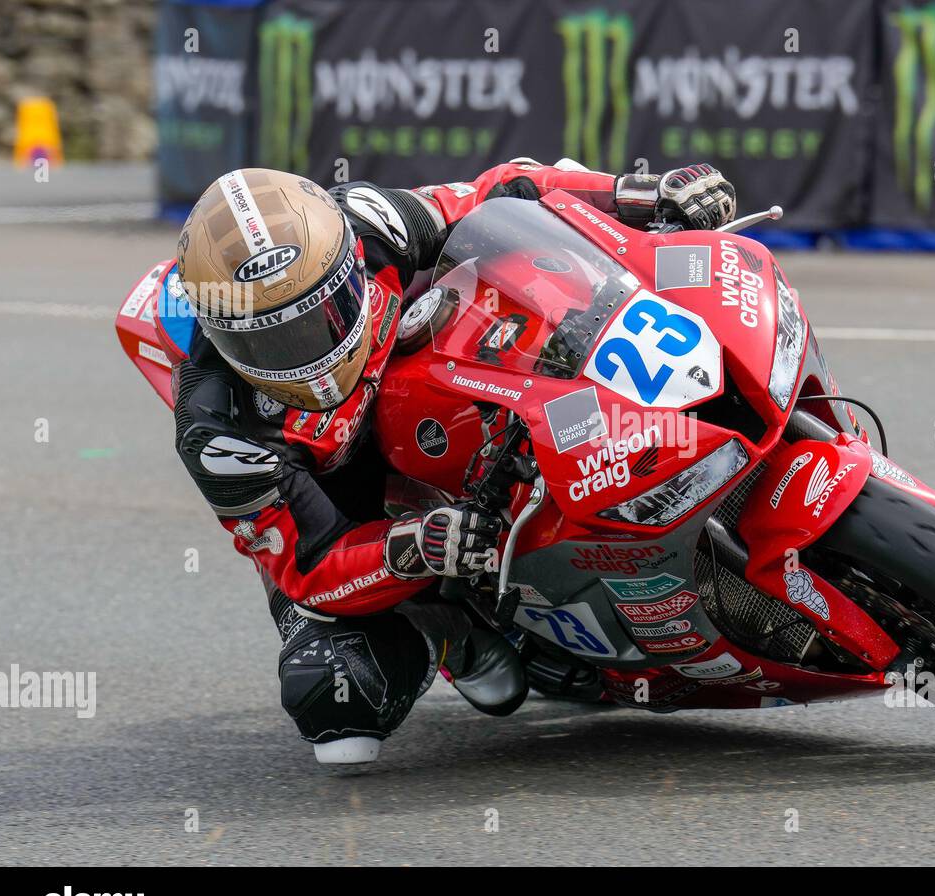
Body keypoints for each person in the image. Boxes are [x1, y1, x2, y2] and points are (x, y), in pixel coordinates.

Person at [171, 159, 737, 764]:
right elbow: (310, 565)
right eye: (271, 340)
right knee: (338, 703)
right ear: (221, 334)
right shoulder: (220, 432)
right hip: (340, 496)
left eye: (324, 315)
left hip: (435, 366)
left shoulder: (367, 221)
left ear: (348, 267)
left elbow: (506, 190)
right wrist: (415, 547)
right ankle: (445, 626)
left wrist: (637, 193)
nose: (307, 351)